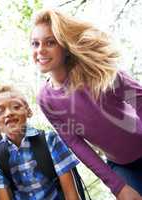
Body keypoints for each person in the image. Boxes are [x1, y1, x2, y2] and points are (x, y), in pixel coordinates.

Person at [31, 9, 142, 199]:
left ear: (65, 47)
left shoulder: (95, 70)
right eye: (35, 43)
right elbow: (77, 144)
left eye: (50, 42)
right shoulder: (46, 99)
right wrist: (118, 187)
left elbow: (139, 100)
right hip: (121, 166)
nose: (40, 50)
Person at [0, 85, 80, 200]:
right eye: (0, 111)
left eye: (16, 107)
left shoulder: (50, 140)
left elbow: (71, 194)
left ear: (28, 111)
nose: (8, 113)